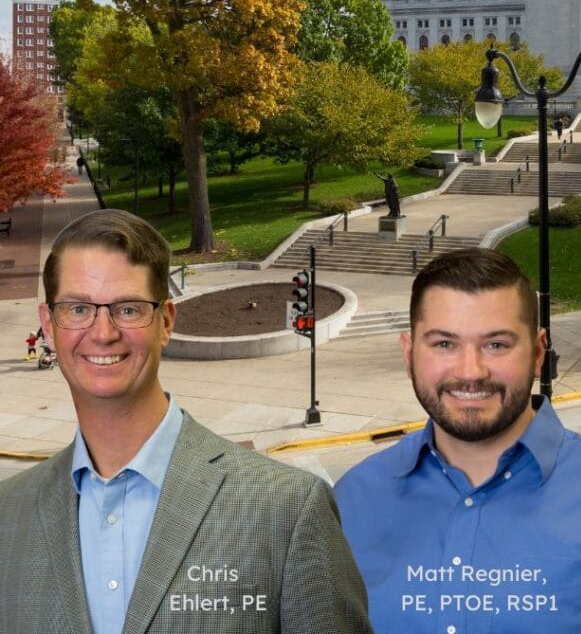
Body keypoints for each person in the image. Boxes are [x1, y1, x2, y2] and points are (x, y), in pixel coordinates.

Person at [0, 209, 373, 634]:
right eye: (78, 308)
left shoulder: (287, 509)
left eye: (127, 309)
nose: (102, 332)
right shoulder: (7, 514)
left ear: (166, 323)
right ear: (48, 326)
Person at [335, 247, 581, 634]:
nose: (471, 371)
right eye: (444, 344)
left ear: (538, 353)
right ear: (409, 354)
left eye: (497, 344)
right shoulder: (350, 504)